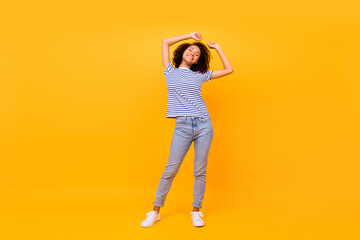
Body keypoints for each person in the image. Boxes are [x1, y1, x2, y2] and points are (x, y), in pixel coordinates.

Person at [141, 32, 234, 228]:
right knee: (170, 169)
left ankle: (196, 211)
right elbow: (165, 42)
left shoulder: (200, 75)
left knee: (200, 170)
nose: (193, 53)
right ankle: (155, 211)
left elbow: (229, 69)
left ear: (198, 61)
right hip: (182, 126)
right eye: (190, 50)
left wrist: (217, 48)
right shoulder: (170, 71)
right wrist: (190, 35)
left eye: (197, 54)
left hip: (203, 124)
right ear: (183, 52)